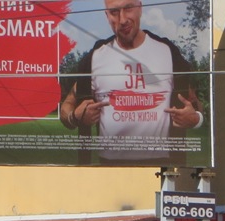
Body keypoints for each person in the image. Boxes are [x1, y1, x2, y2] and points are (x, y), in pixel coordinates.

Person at [58, 0, 204, 163]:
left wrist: (196, 118)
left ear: (140, 8)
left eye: (128, 8)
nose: (122, 20)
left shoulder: (166, 52)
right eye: (114, 12)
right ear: (106, 16)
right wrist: (75, 117)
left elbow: (194, 104)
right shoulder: (96, 58)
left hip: (161, 166)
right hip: (110, 168)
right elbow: (67, 106)